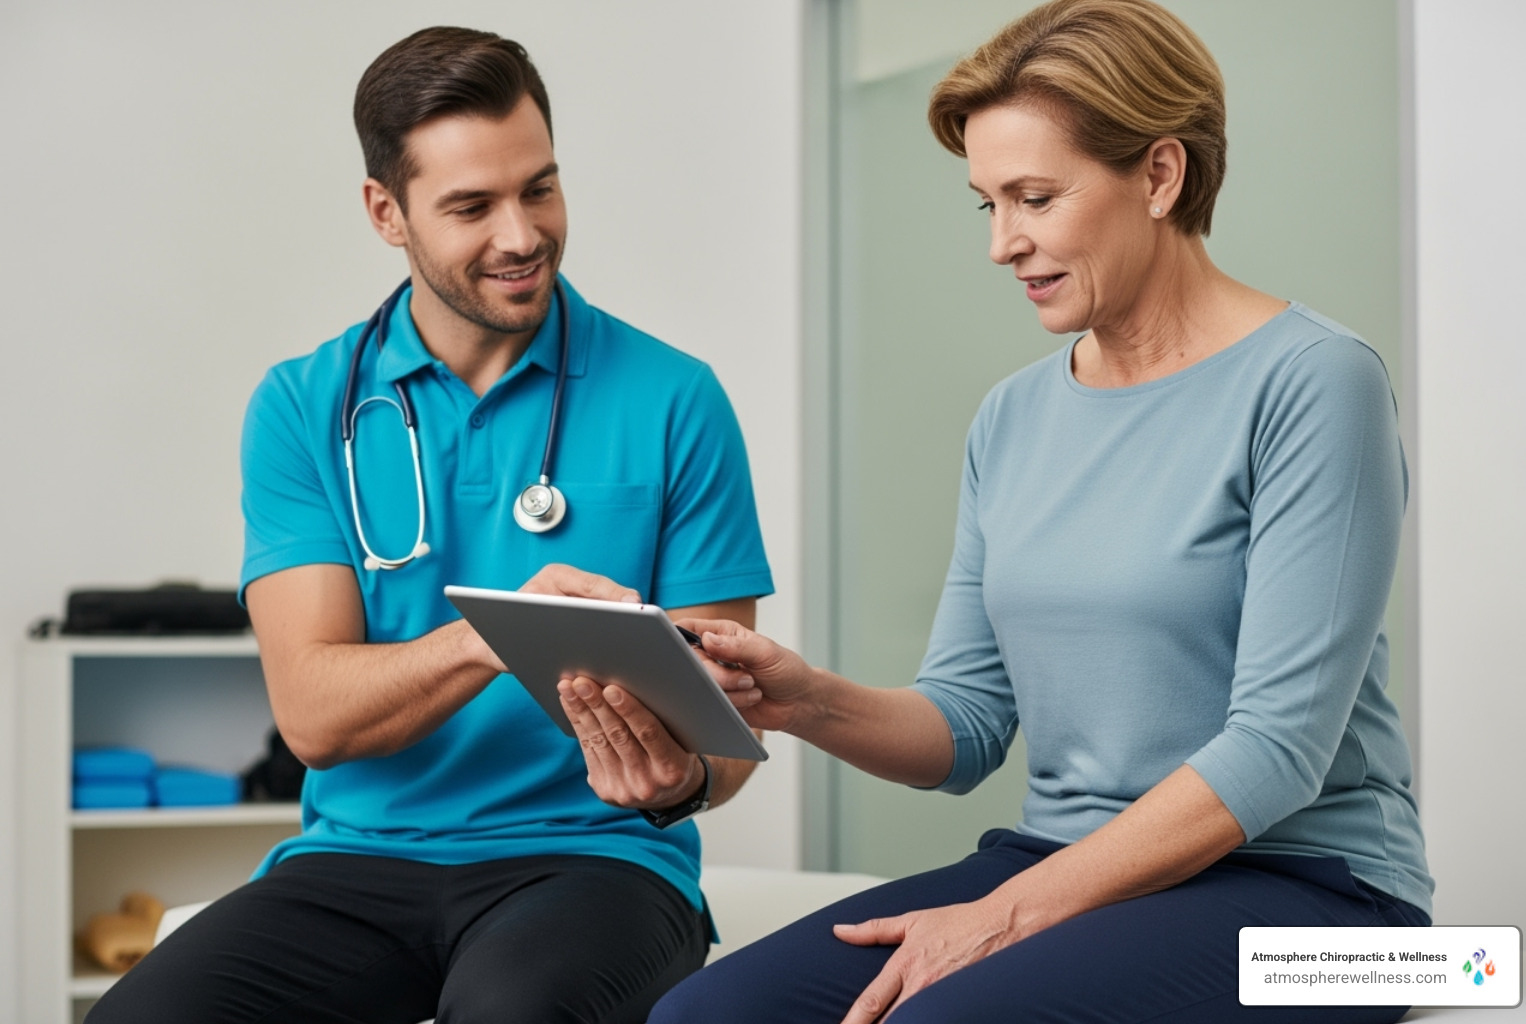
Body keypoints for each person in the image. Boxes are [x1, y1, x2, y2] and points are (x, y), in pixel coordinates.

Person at [649, 1, 1432, 1022]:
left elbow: (1278, 749)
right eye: (988, 205)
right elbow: (968, 724)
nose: (1003, 244)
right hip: (1071, 863)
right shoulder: (1014, 415)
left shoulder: (1315, 381)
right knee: (705, 1015)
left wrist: (1006, 915)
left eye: (1034, 197)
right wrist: (804, 700)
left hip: (1320, 903)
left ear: (1160, 175)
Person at [88, 26, 773, 1024]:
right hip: (358, 861)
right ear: (386, 212)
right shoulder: (303, 406)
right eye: (471, 206)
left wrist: (681, 778)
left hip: (598, 860)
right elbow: (315, 715)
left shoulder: (675, 400)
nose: (522, 233)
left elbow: (730, 742)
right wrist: (497, 634)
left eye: (539, 187)